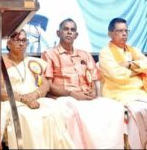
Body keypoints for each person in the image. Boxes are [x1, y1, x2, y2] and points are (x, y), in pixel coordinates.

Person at [41, 18, 126, 149]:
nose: (69, 32)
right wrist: (72, 94)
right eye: (66, 29)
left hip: (86, 97)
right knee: (78, 113)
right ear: (58, 33)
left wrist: (93, 92)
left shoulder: (84, 55)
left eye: (72, 30)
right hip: (63, 98)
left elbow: (95, 79)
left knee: (115, 108)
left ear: (76, 35)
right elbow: (48, 85)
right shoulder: (49, 54)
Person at [98, 17, 147, 149]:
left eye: (126, 31)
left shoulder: (133, 50)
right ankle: (138, 145)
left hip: (140, 93)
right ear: (110, 33)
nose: (124, 34)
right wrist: (138, 70)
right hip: (118, 93)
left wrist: (129, 65)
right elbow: (117, 75)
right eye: (119, 31)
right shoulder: (105, 53)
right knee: (138, 112)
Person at [1, 29, 73, 149]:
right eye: (17, 40)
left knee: (54, 109)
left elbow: (45, 85)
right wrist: (25, 99)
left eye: (24, 40)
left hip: (34, 98)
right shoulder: (1, 62)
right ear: (8, 44)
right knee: (27, 117)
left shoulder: (32, 62)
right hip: (12, 100)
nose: (21, 43)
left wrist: (34, 95)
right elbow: (0, 91)